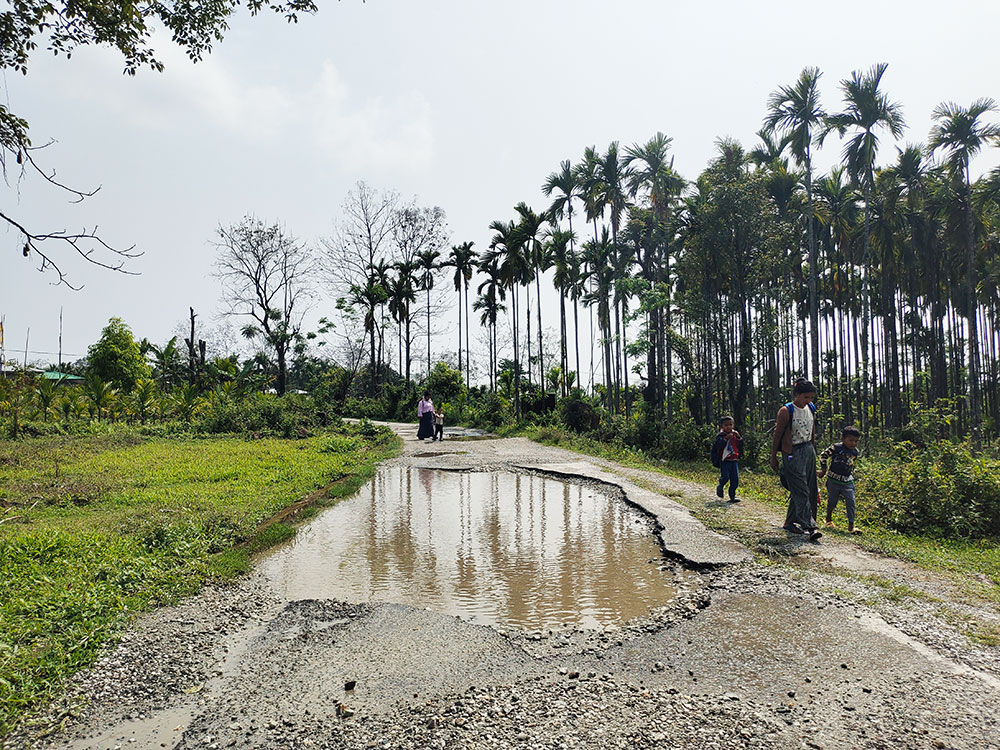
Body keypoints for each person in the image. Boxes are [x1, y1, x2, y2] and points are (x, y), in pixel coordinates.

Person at [770, 379, 822, 541]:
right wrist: (774, 457)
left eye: (811, 398)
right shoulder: (786, 411)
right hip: (792, 452)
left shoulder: (811, 408)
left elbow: (812, 430)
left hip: (808, 450)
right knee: (801, 489)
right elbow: (777, 435)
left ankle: (789, 522)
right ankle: (810, 526)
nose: (809, 401)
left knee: (809, 488)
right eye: (806, 397)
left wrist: (813, 451)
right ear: (797, 394)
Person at [818, 425, 862, 534]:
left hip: (847, 481)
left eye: (856, 441)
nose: (853, 443)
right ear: (843, 438)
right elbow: (823, 455)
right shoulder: (836, 447)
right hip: (833, 480)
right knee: (832, 501)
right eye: (850, 440)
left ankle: (851, 526)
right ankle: (828, 519)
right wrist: (823, 470)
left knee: (851, 501)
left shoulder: (855, 452)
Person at [711, 415, 742, 502]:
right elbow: (718, 445)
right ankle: (720, 486)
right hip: (725, 460)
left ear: (733, 425)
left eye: (730, 425)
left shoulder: (735, 434)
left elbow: (740, 445)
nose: (728, 427)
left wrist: (739, 438)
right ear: (722, 426)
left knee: (735, 479)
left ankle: (732, 496)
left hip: (734, 460)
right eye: (726, 425)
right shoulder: (721, 436)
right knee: (725, 477)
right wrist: (725, 439)